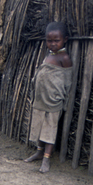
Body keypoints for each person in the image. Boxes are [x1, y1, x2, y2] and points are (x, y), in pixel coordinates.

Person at [24, 22, 73, 173]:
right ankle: (39, 152)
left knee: (49, 130)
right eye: (49, 41)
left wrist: (62, 99)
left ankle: (46, 158)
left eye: (56, 40)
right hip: (40, 99)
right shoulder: (49, 55)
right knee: (39, 127)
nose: (52, 44)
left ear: (65, 39)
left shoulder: (64, 58)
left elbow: (67, 81)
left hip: (53, 101)